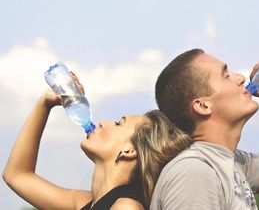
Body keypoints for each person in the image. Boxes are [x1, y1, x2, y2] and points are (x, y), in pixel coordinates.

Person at [150, 49, 259, 209]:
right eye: (226, 75)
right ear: (202, 106)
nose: (241, 78)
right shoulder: (194, 173)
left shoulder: (231, 163)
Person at [2, 73, 193, 210]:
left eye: (119, 123)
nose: (104, 122)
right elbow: (16, 175)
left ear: (129, 150)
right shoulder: (83, 203)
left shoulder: (126, 206)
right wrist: (45, 103)